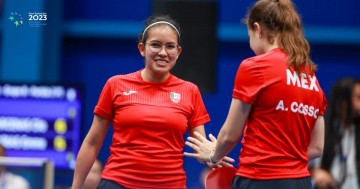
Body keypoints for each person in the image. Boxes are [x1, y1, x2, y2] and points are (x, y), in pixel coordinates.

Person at [71, 14, 233, 189]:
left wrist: (213, 154)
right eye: (155, 45)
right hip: (118, 183)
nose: (163, 53)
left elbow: (199, 146)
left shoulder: (190, 91)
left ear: (178, 52)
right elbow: (92, 143)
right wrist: (75, 187)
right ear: (142, 48)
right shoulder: (116, 84)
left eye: (170, 46)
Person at [183, 0, 328, 188]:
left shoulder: (255, 66)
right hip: (300, 182)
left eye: (249, 35)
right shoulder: (310, 76)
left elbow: (229, 135)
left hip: (259, 179)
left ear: (258, 29)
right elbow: (317, 147)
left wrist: (212, 155)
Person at [311, 77, 360, 189]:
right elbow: (307, 166)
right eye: (358, 98)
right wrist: (315, 173)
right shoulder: (322, 129)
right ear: (343, 101)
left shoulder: (356, 130)